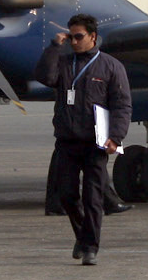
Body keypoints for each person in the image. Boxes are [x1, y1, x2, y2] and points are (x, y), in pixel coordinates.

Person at [35, 13, 132, 265]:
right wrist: (55, 47)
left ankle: (90, 247)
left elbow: (122, 106)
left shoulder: (111, 66)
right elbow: (45, 77)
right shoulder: (65, 63)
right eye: (71, 37)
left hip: (95, 143)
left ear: (93, 37)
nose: (74, 42)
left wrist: (115, 137)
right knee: (66, 195)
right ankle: (82, 235)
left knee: (92, 196)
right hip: (67, 140)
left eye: (79, 37)